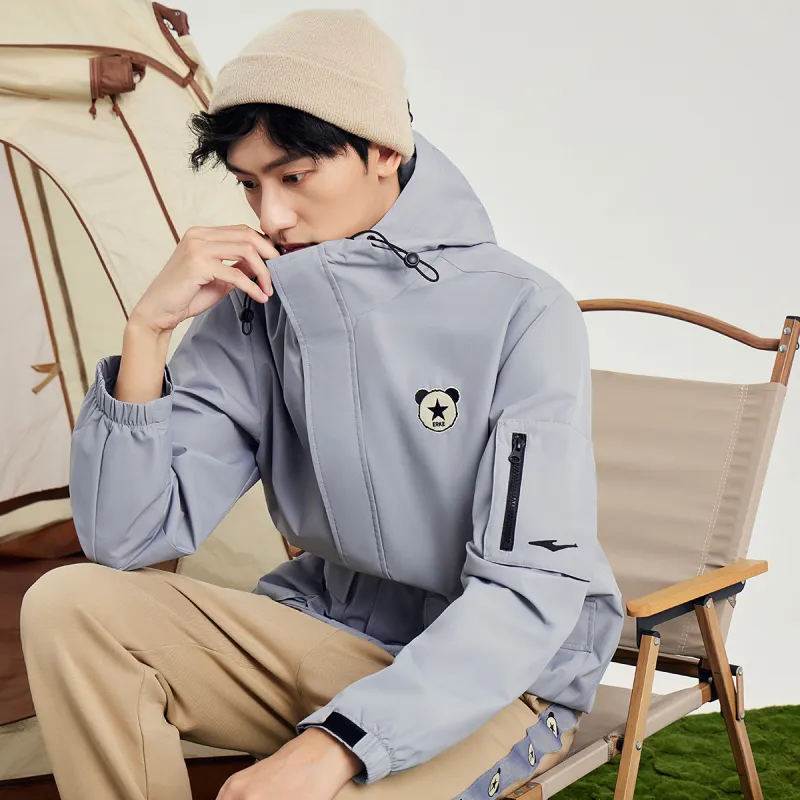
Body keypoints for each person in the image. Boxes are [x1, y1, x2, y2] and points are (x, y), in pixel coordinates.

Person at [20, 9, 623, 800]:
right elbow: (127, 541)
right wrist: (147, 332)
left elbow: (526, 592)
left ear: (384, 150)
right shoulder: (258, 305)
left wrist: (338, 745)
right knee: (70, 605)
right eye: (249, 184)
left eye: (294, 176)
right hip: (324, 631)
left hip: (497, 683)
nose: (270, 217)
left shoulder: (522, 310)